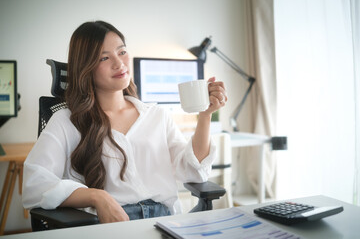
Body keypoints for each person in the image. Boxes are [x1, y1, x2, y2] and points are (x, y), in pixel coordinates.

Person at [22, 21, 227, 223]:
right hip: (109, 224)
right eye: (104, 58)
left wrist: (205, 115)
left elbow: (194, 172)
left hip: (165, 222)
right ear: (86, 68)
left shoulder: (156, 116)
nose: (119, 63)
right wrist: (96, 196)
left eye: (121, 52)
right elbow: (34, 185)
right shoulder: (66, 121)